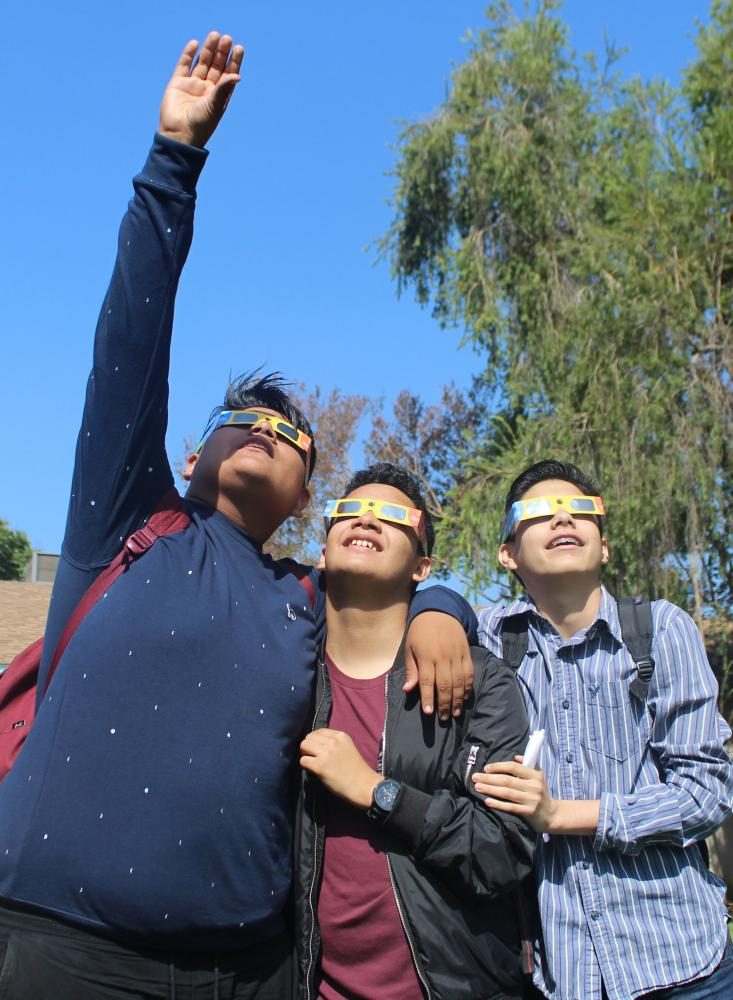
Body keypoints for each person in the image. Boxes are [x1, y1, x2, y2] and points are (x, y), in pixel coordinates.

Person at [0, 35, 474, 1000]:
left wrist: (445, 609)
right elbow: (133, 334)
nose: (263, 430)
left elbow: (401, 579)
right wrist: (174, 158)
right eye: (240, 420)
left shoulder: (308, 596)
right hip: (61, 947)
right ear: (190, 454)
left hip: (251, 969)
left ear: (305, 496)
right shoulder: (124, 527)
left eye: (288, 434)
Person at [472, 459, 733, 1000]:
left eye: (581, 509)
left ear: (604, 546)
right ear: (508, 554)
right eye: (539, 511)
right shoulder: (488, 638)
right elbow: (422, 603)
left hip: (686, 962)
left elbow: (710, 791)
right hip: (562, 976)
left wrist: (560, 815)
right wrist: (434, 612)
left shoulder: (661, 629)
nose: (563, 516)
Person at [295, 462, 537, 1000]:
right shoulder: (282, 675)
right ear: (324, 549)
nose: (368, 520)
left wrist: (376, 792)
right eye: (351, 511)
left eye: (392, 515)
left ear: (422, 566)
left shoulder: (478, 680)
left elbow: (501, 851)